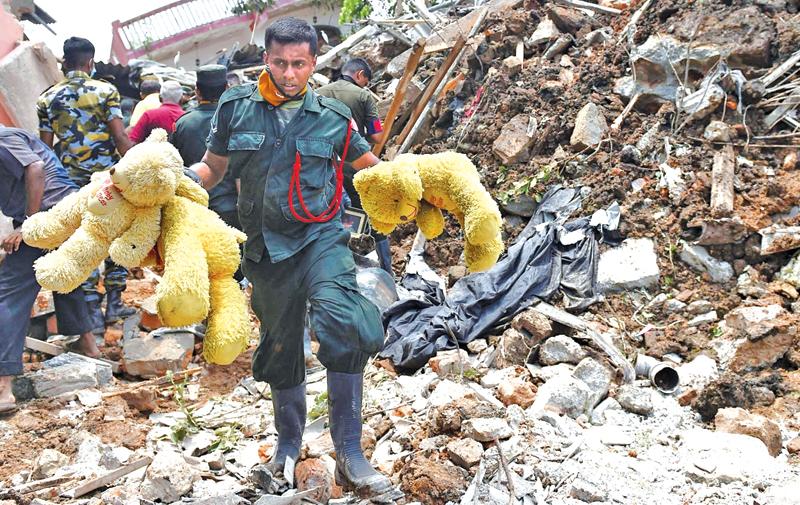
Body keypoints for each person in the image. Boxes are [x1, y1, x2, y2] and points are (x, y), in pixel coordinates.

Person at [190, 17, 397, 499]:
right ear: (266, 58)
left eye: (299, 64)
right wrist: (173, 179)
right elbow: (213, 168)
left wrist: (415, 186)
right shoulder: (235, 109)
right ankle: (287, 446)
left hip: (321, 239)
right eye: (280, 63)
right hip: (265, 248)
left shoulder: (333, 116)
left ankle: (351, 451)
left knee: (347, 323)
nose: (288, 73)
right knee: (280, 349)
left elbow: (370, 171)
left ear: (313, 63)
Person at [36, 36, 135, 336]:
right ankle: (115, 305)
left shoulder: (47, 99)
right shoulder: (106, 91)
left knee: (86, 241)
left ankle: (91, 311)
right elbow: (119, 137)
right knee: (115, 236)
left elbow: (45, 151)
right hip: (108, 182)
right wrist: (136, 166)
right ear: (90, 63)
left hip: (71, 187)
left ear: (65, 62)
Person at [0, 126, 98, 415]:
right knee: (62, 275)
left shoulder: (2, 139)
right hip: (62, 211)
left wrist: (28, 225)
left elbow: (36, 167)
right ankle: (88, 344)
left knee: (9, 292)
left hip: (48, 214)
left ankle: (3, 385)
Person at [316, 58, 392, 274]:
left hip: (326, 168)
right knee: (372, 218)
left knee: (338, 218)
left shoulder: (318, 94)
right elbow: (376, 136)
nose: (365, 86)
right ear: (359, 75)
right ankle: (385, 272)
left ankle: (345, 270)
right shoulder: (363, 96)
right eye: (366, 81)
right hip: (357, 165)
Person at [172, 65, 243, 280]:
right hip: (234, 211)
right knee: (233, 275)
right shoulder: (239, 121)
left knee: (203, 272)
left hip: (198, 211)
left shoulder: (183, 124)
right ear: (226, 88)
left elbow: (175, 168)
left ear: (197, 90)